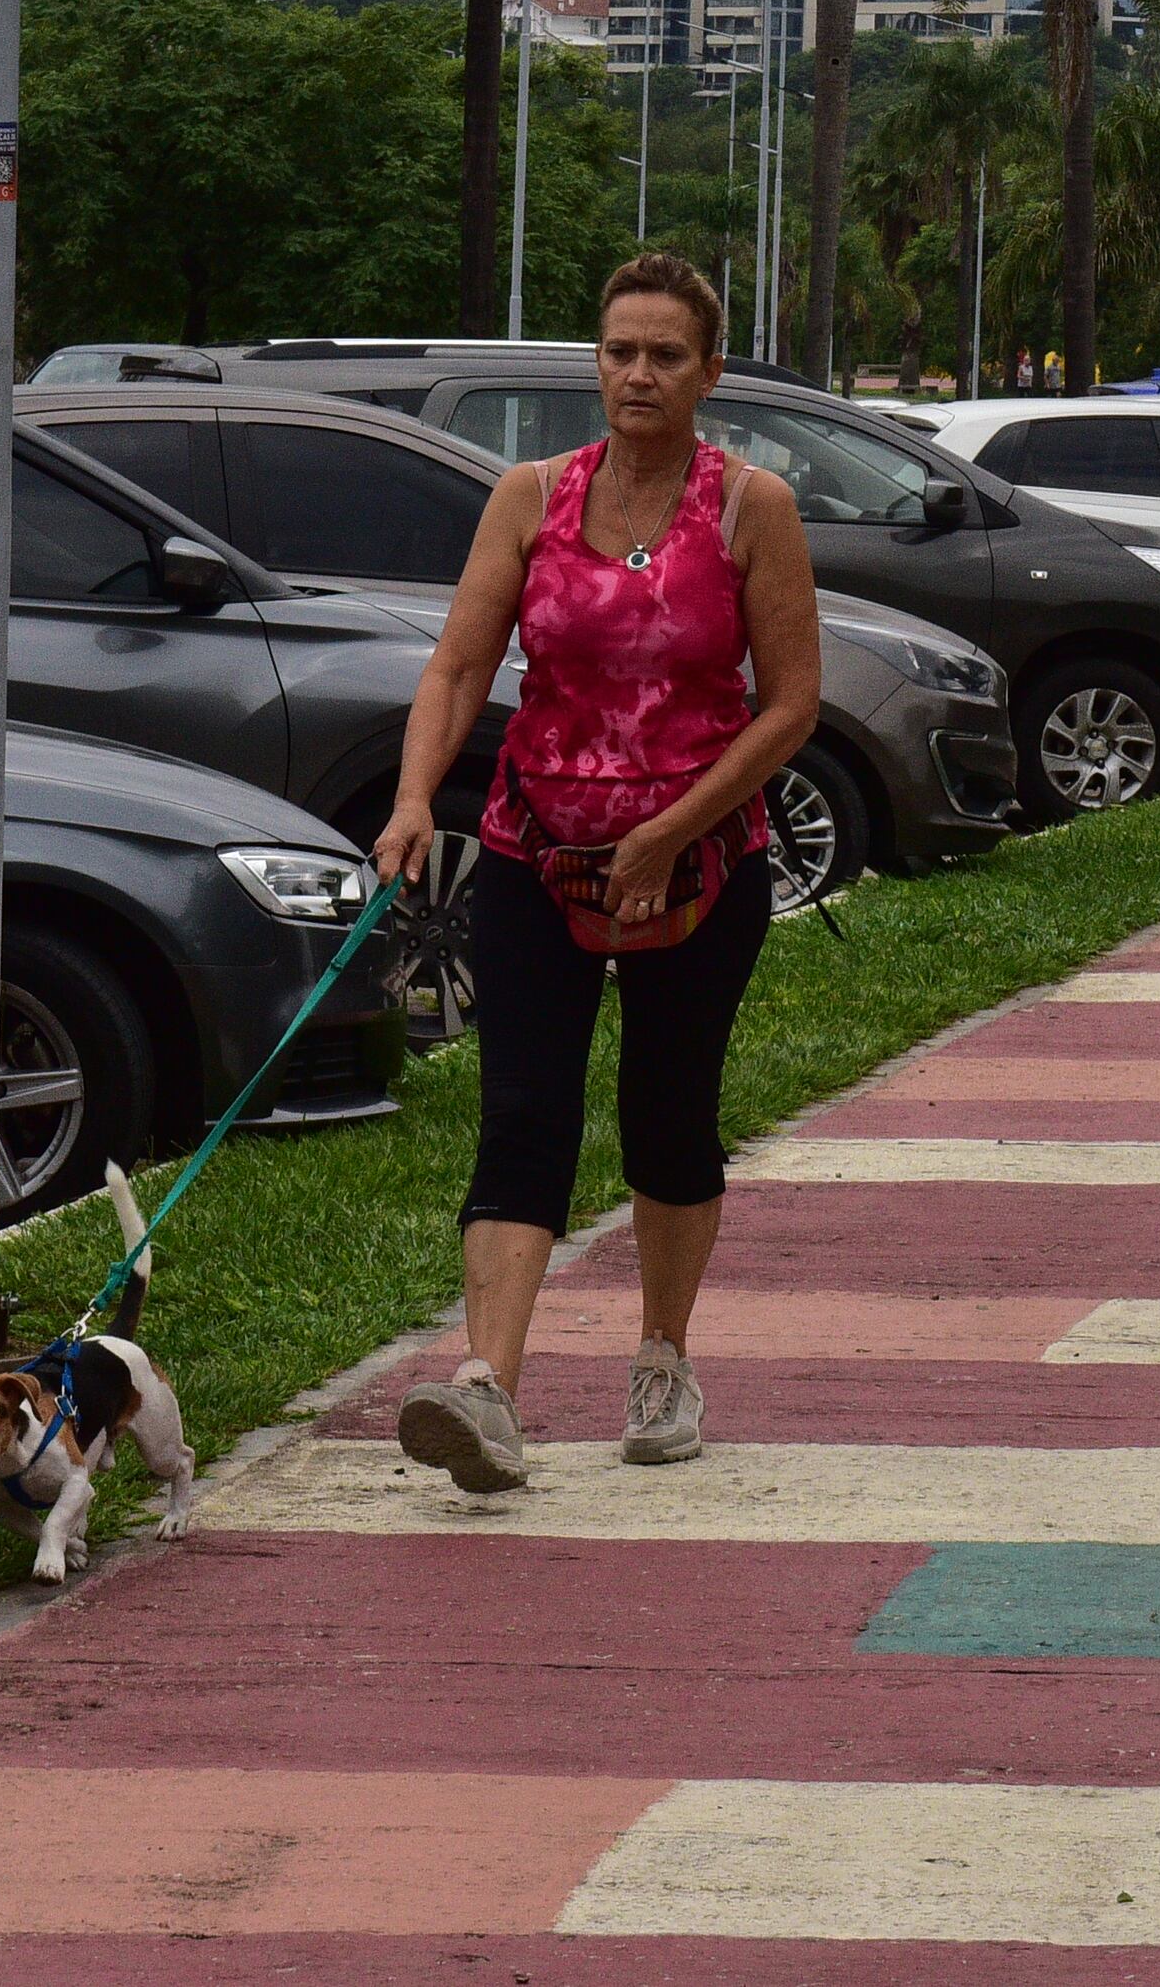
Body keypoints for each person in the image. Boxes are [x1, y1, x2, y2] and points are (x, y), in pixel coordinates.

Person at [372, 252, 821, 1489]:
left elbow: (789, 707)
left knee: (666, 1116)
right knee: (522, 1112)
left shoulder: (751, 507)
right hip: (534, 856)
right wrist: (415, 798)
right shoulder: (529, 497)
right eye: (619, 351)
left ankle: (663, 1357)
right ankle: (489, 1394)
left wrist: (674, 831)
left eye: (665, 355)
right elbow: (459, 669)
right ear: (595, 363)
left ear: (709, 373)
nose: (637, 374)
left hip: (700, 867)